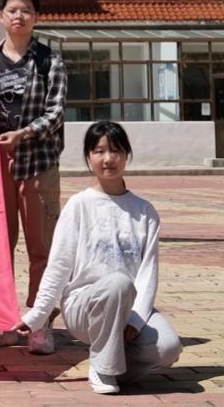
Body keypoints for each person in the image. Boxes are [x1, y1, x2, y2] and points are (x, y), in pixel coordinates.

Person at [18, 121, 182, 395]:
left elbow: (148, 272)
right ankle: (104, 368)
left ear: (127, 155)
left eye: (115, 150)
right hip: (84, 305)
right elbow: (59, 264)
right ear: (88, 157)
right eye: (99, 151)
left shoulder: (145, 211)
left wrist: (137, 320)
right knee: (118, 282)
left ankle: (109, 363)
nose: (108, 159)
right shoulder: (79, 205)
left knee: (167, 348)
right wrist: (39, 314)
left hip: (128, 305)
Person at [0, 0, 66, 353]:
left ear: (36, 17)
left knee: (42, 247)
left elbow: (56, 112)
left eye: (26, 10)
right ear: (1, 16)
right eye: (12, 10)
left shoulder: (49, 60)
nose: (19, 16)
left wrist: (24, 134)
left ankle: (40, 323)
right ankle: (1, 321)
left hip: (38, 161)